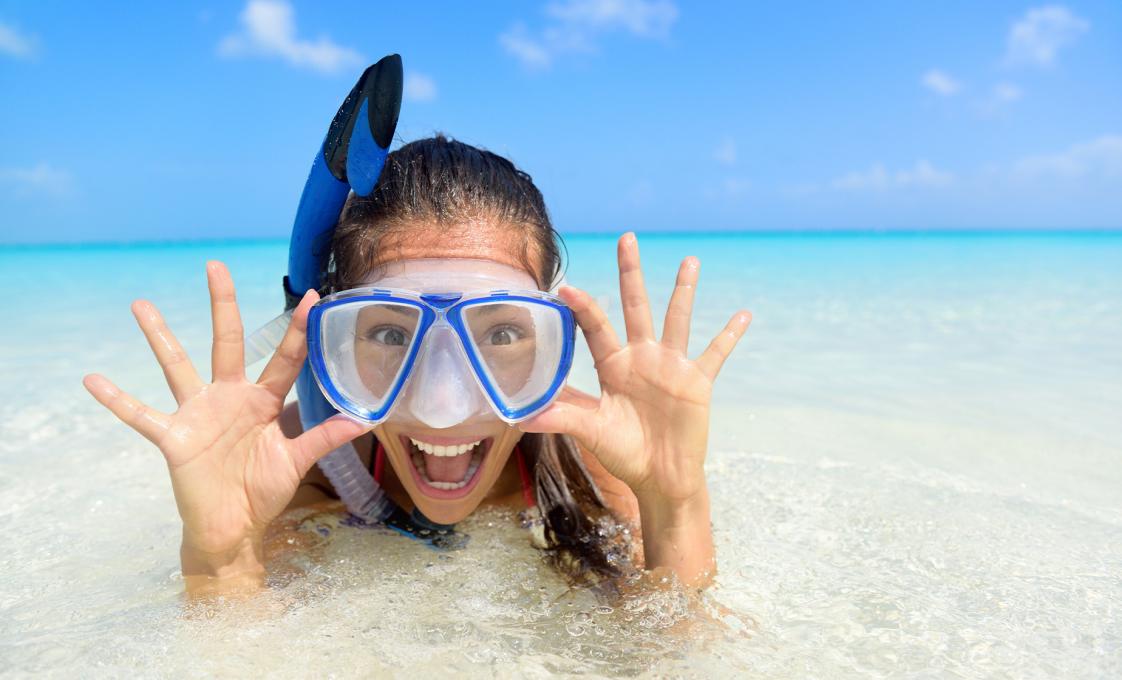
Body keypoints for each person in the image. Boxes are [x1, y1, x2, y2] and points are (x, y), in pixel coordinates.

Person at [83, 136, 749, 596]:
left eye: (504, 333)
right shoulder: (289, 467)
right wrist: (220, 557)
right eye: (391, 336)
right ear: (331, 345)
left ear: (553, 343)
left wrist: (675, 502)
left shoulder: (590, 462)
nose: (444, 400)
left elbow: (678, 653)